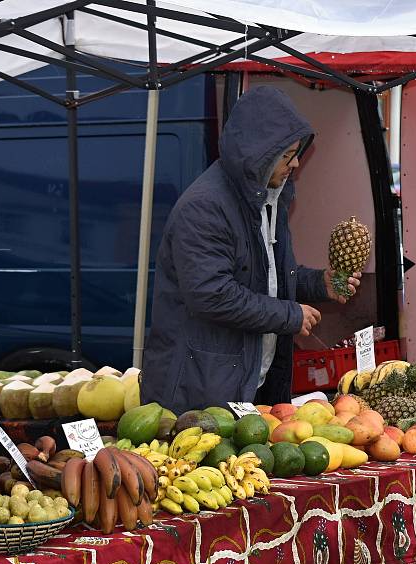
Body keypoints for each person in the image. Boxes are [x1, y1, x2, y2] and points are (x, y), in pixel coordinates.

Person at [142, 86, 361, 413]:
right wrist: (289, 315)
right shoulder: (205, 208)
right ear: (259, 155)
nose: (297, 163)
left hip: (243, 382)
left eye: (296, 152)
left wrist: (319, 284)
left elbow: (264, 276)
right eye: (288, 155)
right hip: (197, 391)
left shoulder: (269, 199)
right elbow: (212, 293)